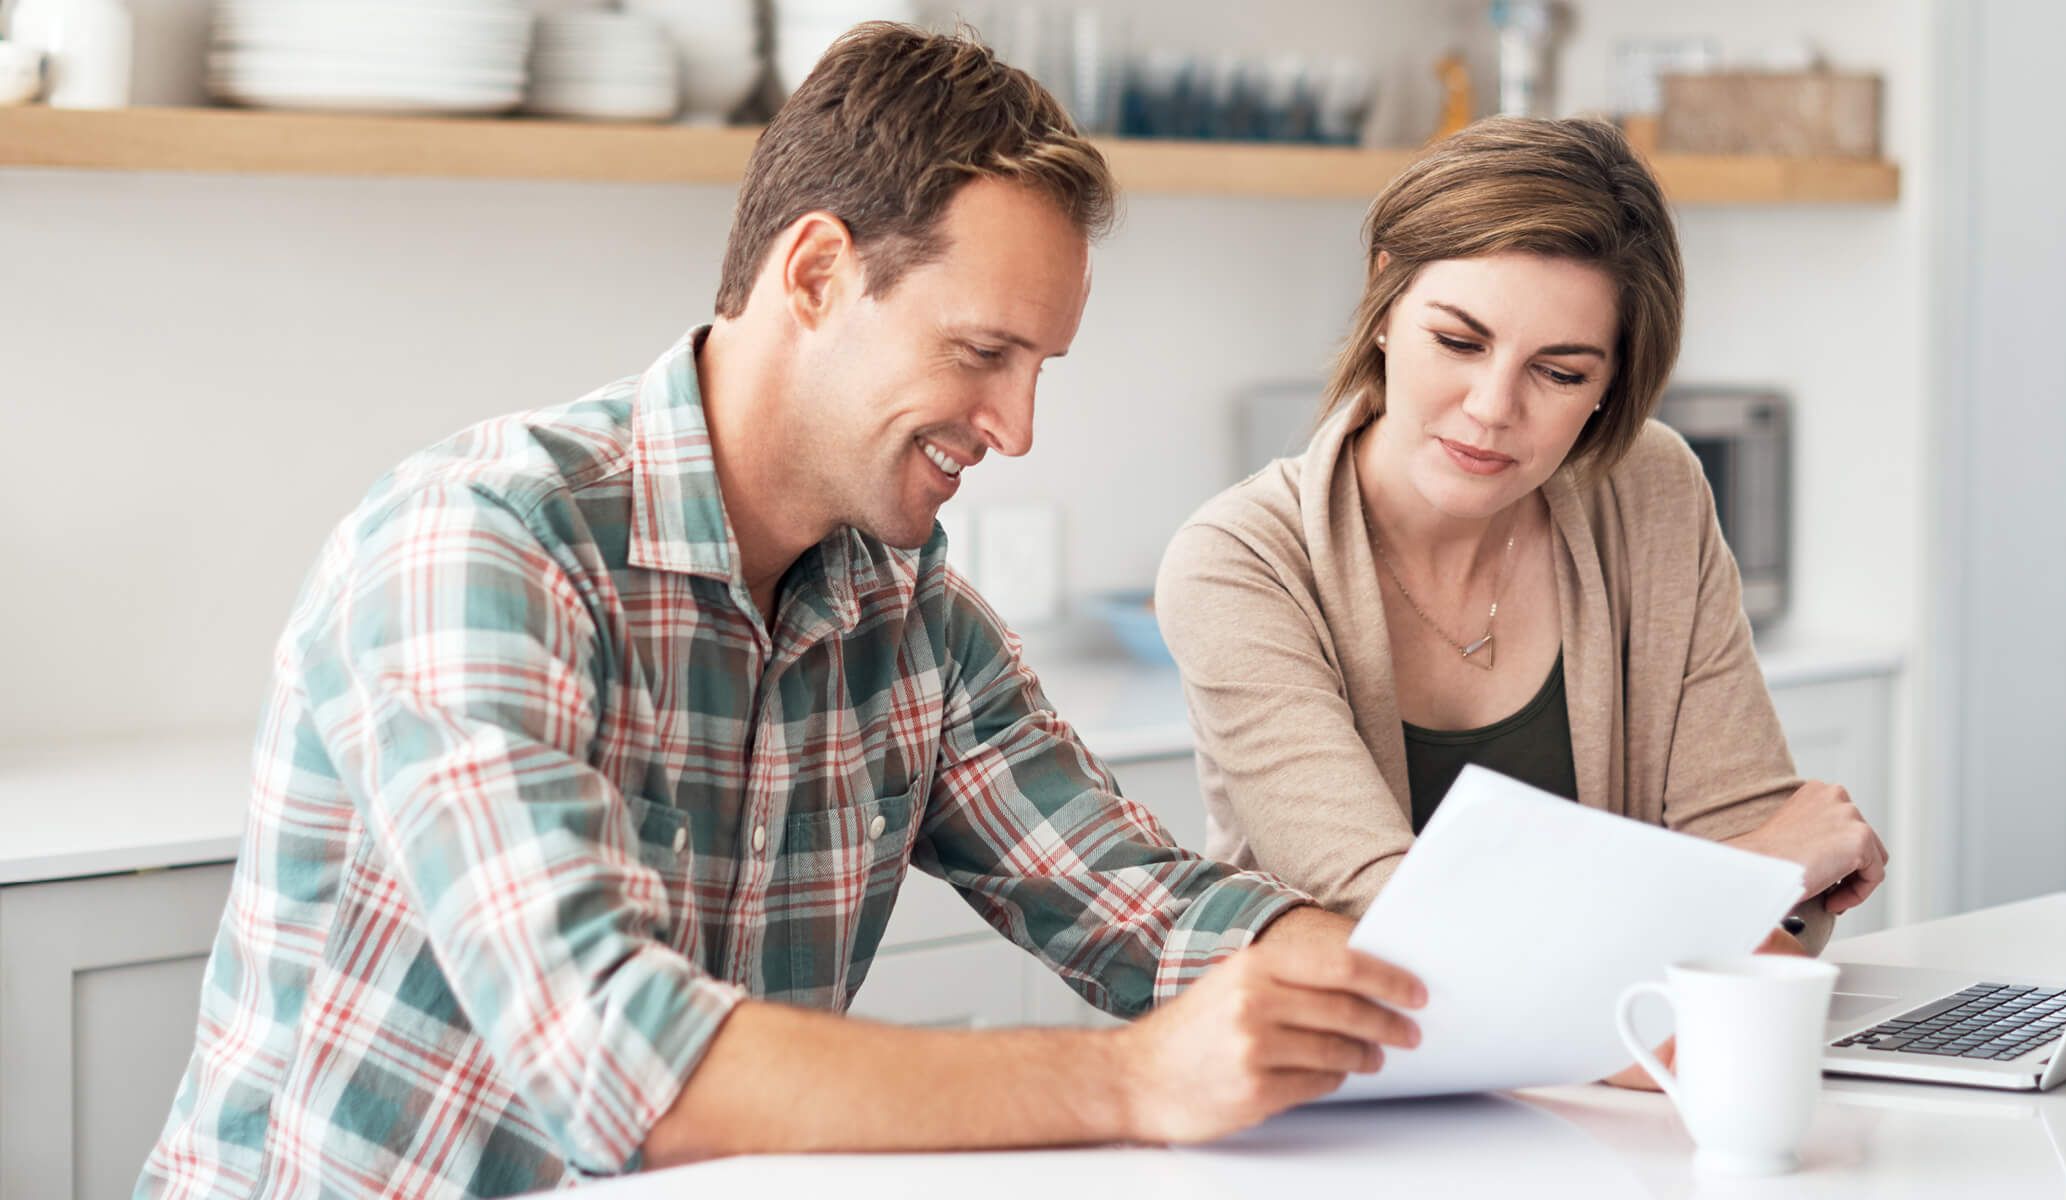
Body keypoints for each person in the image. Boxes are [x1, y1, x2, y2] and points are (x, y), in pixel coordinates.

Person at [138, 25, 1422, 1198]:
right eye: (982, 354)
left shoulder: (912, 617)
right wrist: (1132, 1082)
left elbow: (1145, 907)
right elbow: (614, 1055)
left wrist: (1436, 986)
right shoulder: (485, 545)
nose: (1018, 429)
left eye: (1041, 370)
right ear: (815, 272)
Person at [1154, 117, 1888, 996]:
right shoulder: (1239, 563)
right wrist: (1750, 870)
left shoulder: (1649, 490)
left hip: (1607, 1079)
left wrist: (1760, 873)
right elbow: (1389, 926)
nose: (1492, 407)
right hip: (1340, 1098)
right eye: (1459, 342)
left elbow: (1781, 911)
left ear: (1611, 385)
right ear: (1385, 302)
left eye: (1561, 372)